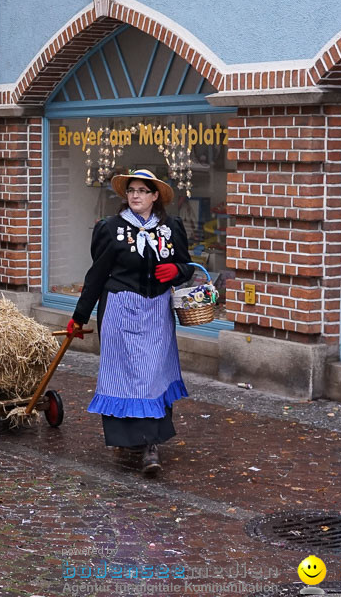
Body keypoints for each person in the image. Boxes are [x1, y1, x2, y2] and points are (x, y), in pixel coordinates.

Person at [66, 169, 194, 475]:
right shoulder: (110, 228)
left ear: (154, 197)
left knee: (153, 375)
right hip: (121, 309)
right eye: (131, 190)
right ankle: (133, 441)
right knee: (125, 374)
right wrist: (79, 317)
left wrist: (176, 271)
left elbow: (187, 265)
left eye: (142, 191)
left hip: (157, 313)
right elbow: (96, 275)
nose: (135, 195)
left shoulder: (171, 226)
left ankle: (151, 443)